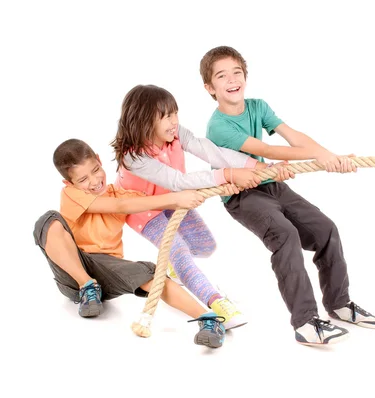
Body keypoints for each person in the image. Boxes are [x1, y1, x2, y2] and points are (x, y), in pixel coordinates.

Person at [199, 45, 375, 345]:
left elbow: (293, 136)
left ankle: (338, 303)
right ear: (210, 87)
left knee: (325, 229)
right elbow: (268, 151)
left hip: (271, 184)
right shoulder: (218, 126)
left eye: (237, 72)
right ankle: (307, 323)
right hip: (242, 195)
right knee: (285, 234)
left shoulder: (258, 106)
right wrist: (283, 165)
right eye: (222, 76)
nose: (232, 80)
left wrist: (329, 156)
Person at [111, 84, 293, 330]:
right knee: (181, 253)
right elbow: (178, 181)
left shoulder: (175, 133)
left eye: (174, 113)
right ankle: (217, 303)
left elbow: (210, 151)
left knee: (205, 245)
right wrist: (227, 175)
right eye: (165, 116)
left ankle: (176, 268)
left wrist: (258, 167)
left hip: (174, 200)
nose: (173, 121)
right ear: (143, 120)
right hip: (144, 211)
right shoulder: (133, 157)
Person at [33, 138, 226, 348]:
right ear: (69, 184)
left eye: (96, 170)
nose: (94, 181)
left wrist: (200, 188)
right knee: (48, 221)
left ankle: (209, 320)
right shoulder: (71, 195)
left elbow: (141, 200)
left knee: (152, 274)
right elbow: (120, 205)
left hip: (108, 269)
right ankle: (86, 285)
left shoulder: (122, 195)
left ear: (99, 160)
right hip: (72, 271)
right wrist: (175, 200)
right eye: (83, 179)